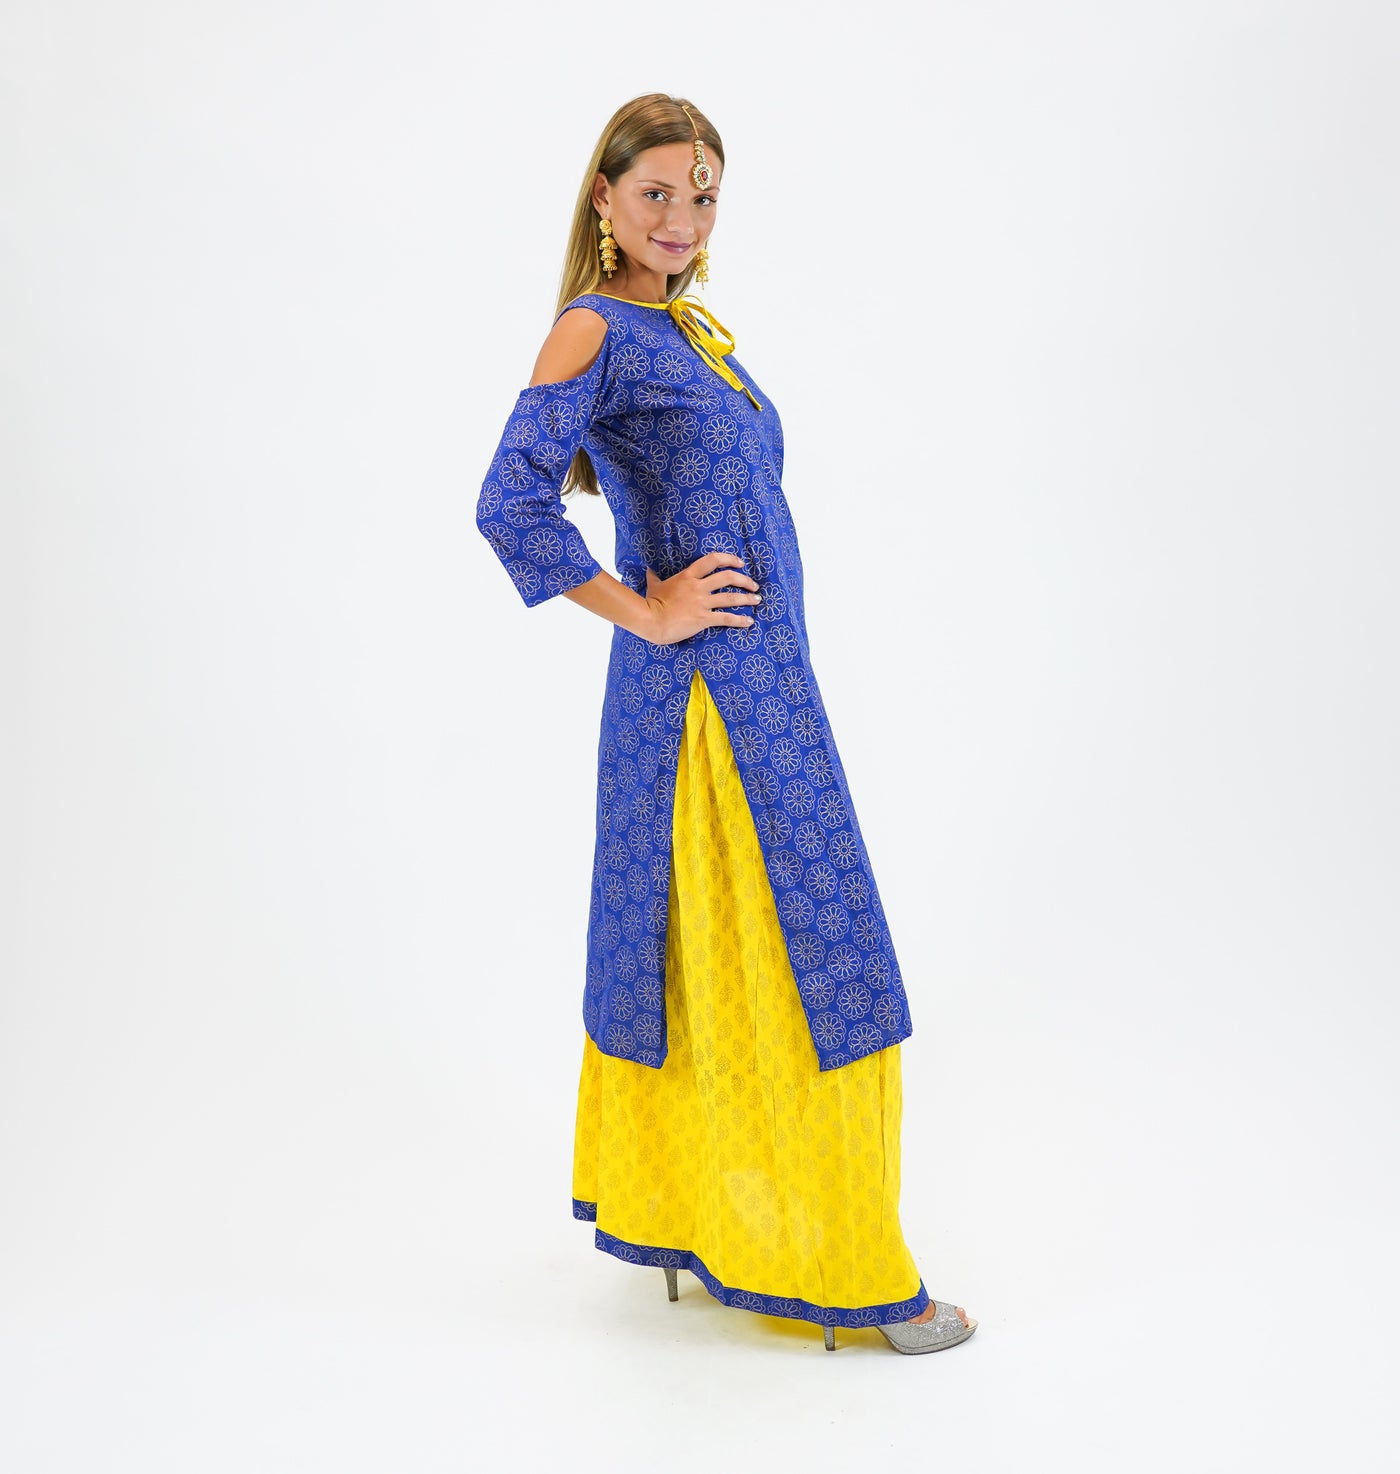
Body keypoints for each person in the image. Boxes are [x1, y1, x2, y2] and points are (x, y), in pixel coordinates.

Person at [475, 93, 976, 1354]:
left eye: (700, 195)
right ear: (603, 197)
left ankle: (738, 1229)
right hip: (702, 706)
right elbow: (508, 502)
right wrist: (646, 609)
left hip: (764, 685)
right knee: (804, 960)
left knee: (750, 957)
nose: (682, 218)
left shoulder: (684, 328)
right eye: (656, 193)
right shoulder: (593, 328)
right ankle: (856, 1272)